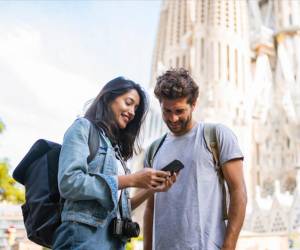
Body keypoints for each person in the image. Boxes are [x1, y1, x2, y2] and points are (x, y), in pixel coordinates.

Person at [52, 77, 176, 250]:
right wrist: (131, 180)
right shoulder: (83, 128)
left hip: (114, 241)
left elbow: (122, 208)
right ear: (108, 98)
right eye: (128, 102)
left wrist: (152, 189)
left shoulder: (116, 150)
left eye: (136, 108)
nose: (132, 112)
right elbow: (70, 182)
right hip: (83, 238)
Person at [143, 68, 247, 250]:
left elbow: (238, 191)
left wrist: (229, 245)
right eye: (167, 111)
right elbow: (151, 207)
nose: (173, 118)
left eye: (179, 111)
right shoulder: (154, 150)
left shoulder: (216, 136)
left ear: (194, 105)